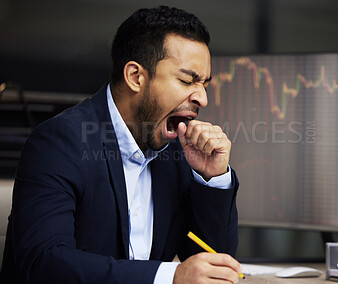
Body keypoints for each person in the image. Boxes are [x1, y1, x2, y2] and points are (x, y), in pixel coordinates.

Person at [0, 5, 241, 284]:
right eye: (187, 81)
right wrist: (168, 277)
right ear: (135, 77)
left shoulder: (178, 151)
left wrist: (211, 178)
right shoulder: (59, 142)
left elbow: (213, 267)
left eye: (204, 84)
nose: (202, 98)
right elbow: (44, 262)